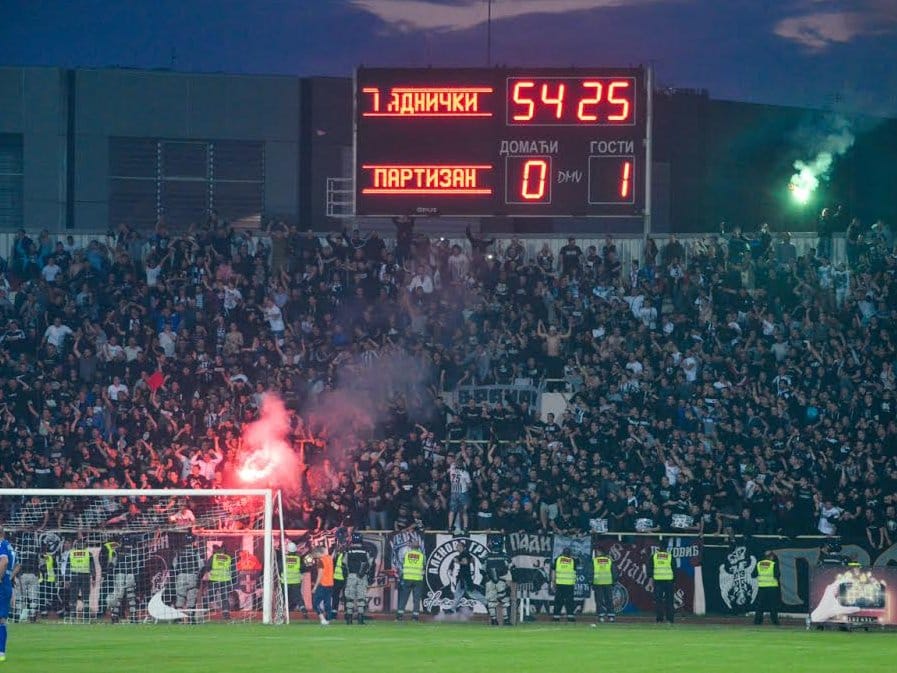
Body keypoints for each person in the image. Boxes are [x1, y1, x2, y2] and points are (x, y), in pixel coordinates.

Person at [172, 534, 204, 623]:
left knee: (180, 598)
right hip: (192, 576)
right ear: (193, 541)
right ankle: (191, 618)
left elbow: (174, 565)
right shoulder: (196, 552)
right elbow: (201, 565)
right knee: (191, 598)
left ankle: (178, 618)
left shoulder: (179, 552)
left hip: (181, 576)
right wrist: (198, 575)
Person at [342, 532, 371, 625]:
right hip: (362, 576)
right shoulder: (365, 550)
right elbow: (369, 563)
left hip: (351, 575)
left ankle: (349, 619)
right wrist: (364, 573)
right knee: (361, 597)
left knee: (350, 597)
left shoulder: (348, 550)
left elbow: (344, 563)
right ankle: (360, 618)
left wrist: (347, 575)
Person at [484, 537, 512, 626]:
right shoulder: (505, 556)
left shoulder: (486, 556)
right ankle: (506, 620)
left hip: (489, 582)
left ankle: (494, 620)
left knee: (491, 601)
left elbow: (482, 570)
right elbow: (511, 568)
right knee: (505, 600)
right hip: (502, 581)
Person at [396, 539, 425, 622]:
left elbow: (402, 564)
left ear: (411, 546)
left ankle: (399, 616)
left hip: (407, 578)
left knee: (404, 598)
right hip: (418, 579)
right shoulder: (422, 555)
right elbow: (424, 565)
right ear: (418, 547)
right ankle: (415, 617)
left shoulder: (407, 554)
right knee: (416, 599)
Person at [67, 537, 94, 621]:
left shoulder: (71, 553)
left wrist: (67, 579)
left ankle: (73, 616)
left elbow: (67, 567)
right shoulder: (88, 553)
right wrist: (93, 577)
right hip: (85, 576)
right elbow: (92, 567)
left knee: (73, 597)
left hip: (75, 576)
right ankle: (86, 617)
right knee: (85, 597)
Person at [205, 545, 235, 621]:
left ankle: (204, 611)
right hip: (225, 580)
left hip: (214, 579)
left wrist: (208, 573)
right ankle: (226, 615)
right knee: (224, 598)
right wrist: (233, 581)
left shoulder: (214, 557)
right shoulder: (228, 558)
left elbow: (207, 566)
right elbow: (233, 570)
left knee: (210, 596)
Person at [281, 542, 308, 619]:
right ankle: (303, 609)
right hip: (296, 581)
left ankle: (283, 612)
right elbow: (303, 568)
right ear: (295, 550)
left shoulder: (284, 559)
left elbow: (280, 569)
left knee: (284, 597)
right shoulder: (299, 559)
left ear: (287, 550)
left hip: (285, 581)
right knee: (298, 597)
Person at [752, 550, 780, 626]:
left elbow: (753, 575)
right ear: (771, 557)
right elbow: (777, 575)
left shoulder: (759, 564)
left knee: (760, 606)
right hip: (772, 587)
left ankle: (757, 621)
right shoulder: (773, 564)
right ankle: (775, 622)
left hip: (762, 587)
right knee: (773, 606)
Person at [648, 547, 675, 624]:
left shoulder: (654, 557)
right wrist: (674, 581)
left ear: (658, 549)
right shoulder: (670, 557)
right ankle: (670, 620)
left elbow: (650, 570)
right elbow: (674, 570)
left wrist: (650, 582)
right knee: (669, 601)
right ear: (666, 549)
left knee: (658, 601)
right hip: (669, 582)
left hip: (658, 581)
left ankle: (659, 620)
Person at [0, 526, 15, 662]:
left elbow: (4, 562)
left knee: (1, 620)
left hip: (2, 585)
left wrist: (0, 577)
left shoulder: (1, 544)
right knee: (1, 620)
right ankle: (1, 652)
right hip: (6, 584)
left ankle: (1, 652)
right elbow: (17, 564)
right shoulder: (9, 546)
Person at [591, 545, 617, 623]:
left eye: (597, 552)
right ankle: (611, 616)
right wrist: (614, 581)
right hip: (608, 583)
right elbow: (614, 572)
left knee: (599, 600)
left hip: (597, 583)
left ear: (600, 552)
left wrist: (591, 582)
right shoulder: (609, 561)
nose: (596, 553)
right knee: (609, 600)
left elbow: (591, 572)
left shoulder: (594, 561)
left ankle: (601, 616)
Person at [449, 540, 476, 613]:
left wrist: (457, 561)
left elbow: (465, 562)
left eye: (459, 546)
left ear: (463, 547)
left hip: (464, 577)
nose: (457, 547)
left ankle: (486, 602)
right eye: (457, 546)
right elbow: (472, 559)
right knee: (459, 593)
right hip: (463, 576)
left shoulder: (464, 553)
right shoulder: (465, 554)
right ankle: (452, 609)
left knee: (472, 593)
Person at [551, 546, 576, 623]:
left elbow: (553, 572)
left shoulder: (557, 560)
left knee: (558, 601)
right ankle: (570, 617)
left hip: (559, 583)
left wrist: (553, 581)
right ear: (570, 554)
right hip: (569, 584)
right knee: (569, 601)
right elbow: (575, 572)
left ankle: (556, 617)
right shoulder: (573, 561)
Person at [311, 546, 334, 625]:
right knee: (327, 602)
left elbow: (320, 575)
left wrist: (315, 587)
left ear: (318, 553)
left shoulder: (321, 561)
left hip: (323, 584)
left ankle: (322, 619)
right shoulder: (330, 558)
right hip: (330, 584)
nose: (315, 556)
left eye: (315, 554)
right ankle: (328, 619)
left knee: (315, 603)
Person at [331, 544, 346, 621]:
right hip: (336, 579)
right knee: (335, 597)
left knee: (346, 597)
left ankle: (347, 615)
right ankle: (333, 614)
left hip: (344, 579)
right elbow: (331, 561)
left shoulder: (346, 554)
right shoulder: (337, 554)